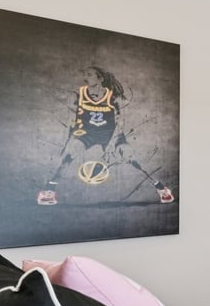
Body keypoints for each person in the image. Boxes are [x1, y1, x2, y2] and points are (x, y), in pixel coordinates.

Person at [37, 66, 174, 206]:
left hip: (110, 134)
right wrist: (71, 137)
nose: (85, 77)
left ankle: (162, 189)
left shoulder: (113, 97)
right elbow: (74, 118)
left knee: (132, 158)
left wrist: (112, 144)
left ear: (100, 78)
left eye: (89, 75)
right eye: (84, 74)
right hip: (88, 133)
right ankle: (49, 191)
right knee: (68, 156)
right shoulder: (80, 94)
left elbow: (120, 124)